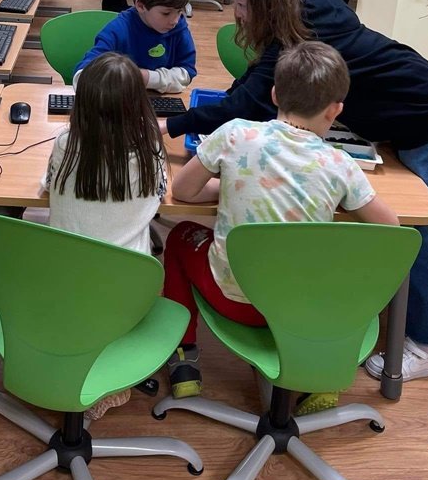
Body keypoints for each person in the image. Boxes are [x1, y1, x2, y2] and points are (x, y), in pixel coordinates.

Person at [162, 0, 428, 382]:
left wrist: (172, 124)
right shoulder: (296, 2)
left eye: (242, 4)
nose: (237, 14)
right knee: (400, 217)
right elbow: (256, 80)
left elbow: (249, 100)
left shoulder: (307, 30)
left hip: (421, 109)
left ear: (266, 1)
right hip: (380, 113)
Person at [163, 42, 398, 402]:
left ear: (274, 94)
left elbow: (182, 190)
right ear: (335, 110)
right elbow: (391, 230)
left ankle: (184, 356)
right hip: (301, 313)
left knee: (181, 235)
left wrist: (229, 187)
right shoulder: (340, 165)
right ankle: (318, 377)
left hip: (233, 302)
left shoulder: (234, 134)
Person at [43, 51, 167, 421]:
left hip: (60, 287)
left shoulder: (66, 145)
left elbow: (48, 184)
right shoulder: (149, 151)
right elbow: (162, 194)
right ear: (138, 106)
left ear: (80, 105)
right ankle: (112, 374)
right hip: (127, 292)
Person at [73, 0, 197, 93]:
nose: (175, 20)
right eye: (166, 13)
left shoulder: (178, 28)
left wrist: (147, 78)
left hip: (156, 100)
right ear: (141, 6)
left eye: (179, 11)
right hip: (122, 101)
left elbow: (187, 73)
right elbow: (83, 76)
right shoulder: (118, 30)